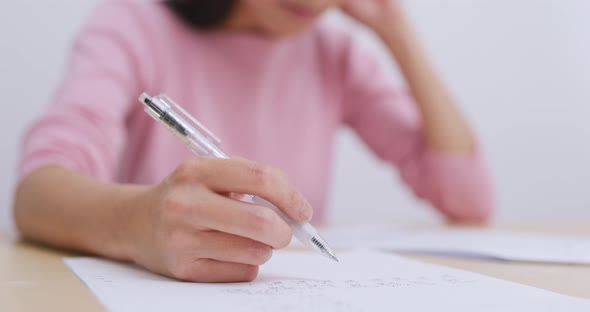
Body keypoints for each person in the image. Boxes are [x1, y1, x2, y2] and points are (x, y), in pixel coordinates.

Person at [14, 0, 494, 282]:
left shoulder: (333, 53)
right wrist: (135, 224)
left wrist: (395, 28)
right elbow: (36, 195)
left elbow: (468, 197)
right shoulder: (136, 23)